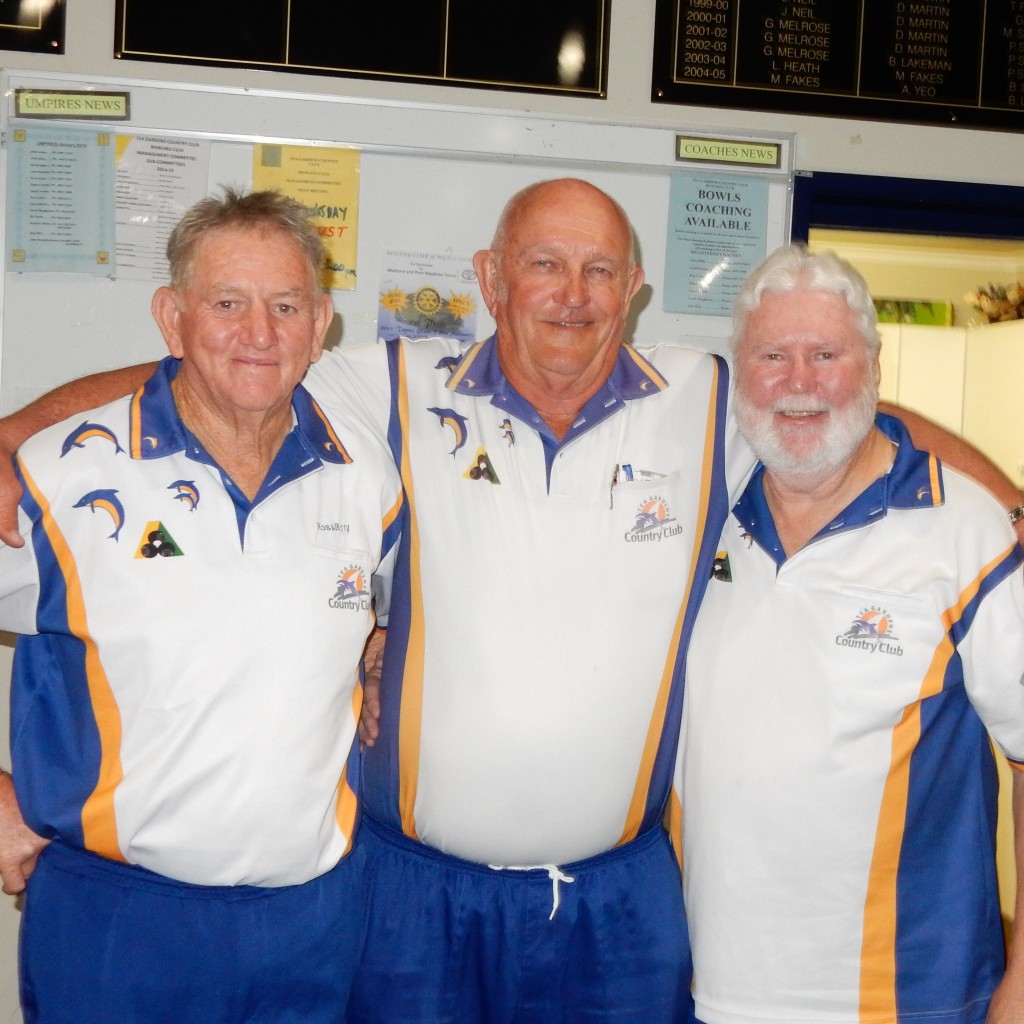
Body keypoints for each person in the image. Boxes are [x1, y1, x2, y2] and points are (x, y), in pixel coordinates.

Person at [1, 179, 1022, 1023]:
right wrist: (10, 437)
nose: (572, 295)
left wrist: (1011, 506)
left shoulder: (709, 401)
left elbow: (850, 413)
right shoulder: (390, 387)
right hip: (408, 894)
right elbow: (230, 370)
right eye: (543, 264)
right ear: (490, 278)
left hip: (617, 900)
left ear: (632, 289)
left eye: (599, 270)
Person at [0, 188, 402, 1023]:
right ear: (172, 319)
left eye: (285, 305)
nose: (260, 333)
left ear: (320, 324)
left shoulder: (368, 474)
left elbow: (379, 621)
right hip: (117, 921)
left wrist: (373, 653)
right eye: (226, 304)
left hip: (314, 922)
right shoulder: (63, 473)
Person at [675, 244, 1024, 1024]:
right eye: (773, 355)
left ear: (873, 365)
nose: (798, 381)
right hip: (716, 989)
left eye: (826, 354)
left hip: (909, 997)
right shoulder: (702, 517)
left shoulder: (964, 531)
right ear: (740, 372)